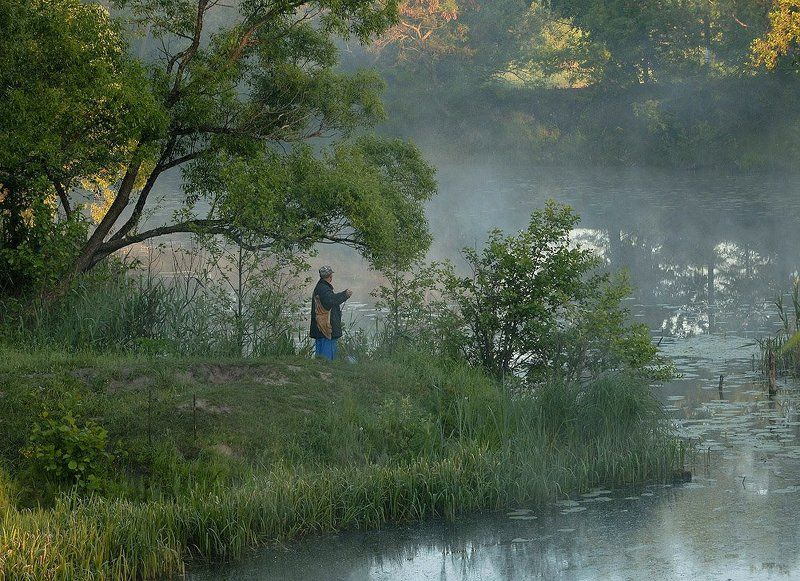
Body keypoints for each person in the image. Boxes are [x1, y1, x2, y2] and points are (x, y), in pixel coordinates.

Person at [309, 265, 352, 360]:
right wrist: (345, 294)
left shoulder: (320, 287)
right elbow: (331, 300)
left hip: (319, 326)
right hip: (324, 326)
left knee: (320, 355)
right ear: (330, 276)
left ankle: (320, 370)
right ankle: (326, 371)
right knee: (327, 358)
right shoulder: (324, 288)